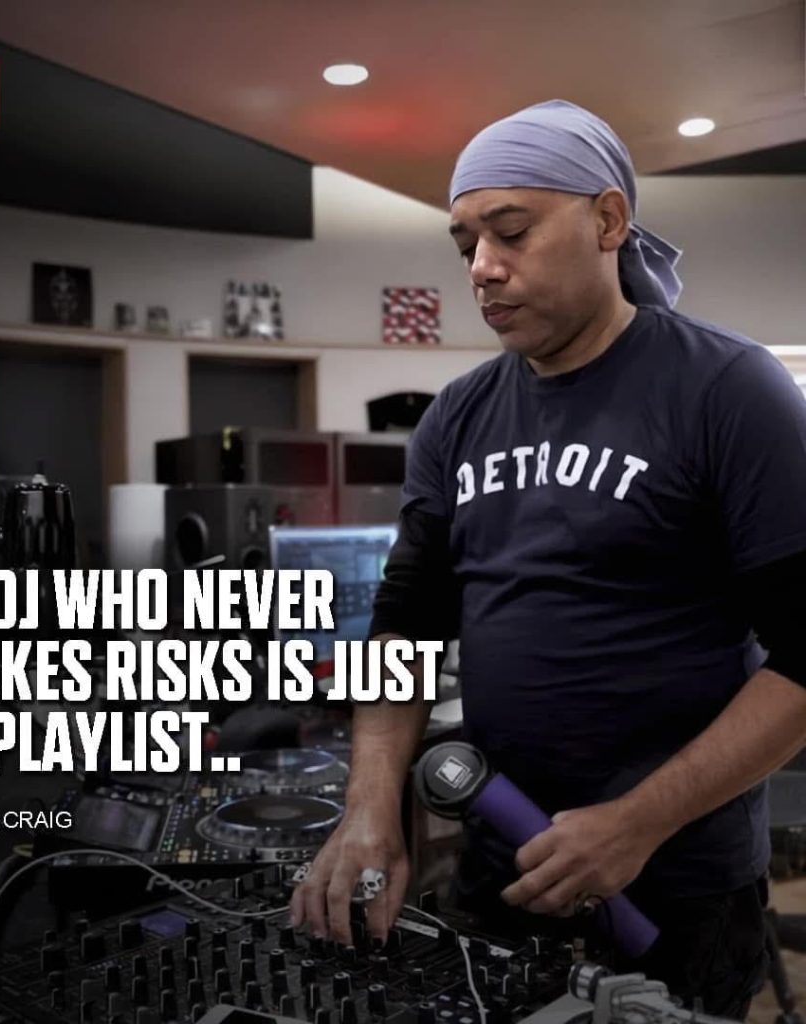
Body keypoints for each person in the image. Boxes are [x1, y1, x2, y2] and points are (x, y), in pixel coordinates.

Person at [290, 100, 806, 1020]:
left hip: (675, 888)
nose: (483, 267)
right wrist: (370, 809)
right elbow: (404, 627)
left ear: (608, 221)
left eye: (512, 231)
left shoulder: (729, 390)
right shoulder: (456, 417)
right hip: (503, 873)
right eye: (466, 244)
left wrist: (636, 823)